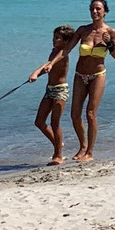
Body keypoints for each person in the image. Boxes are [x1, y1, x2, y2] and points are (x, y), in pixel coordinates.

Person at [30, 0, 115, 162]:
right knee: (75, 115)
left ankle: (89, 153)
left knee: (91, 113)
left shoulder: (110, 32)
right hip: (80, 75)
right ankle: (82, 146)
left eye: (98, 9)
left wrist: (109, 43)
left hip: (98, 75)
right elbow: (66, 50)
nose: (94, 12)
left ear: (105, 11)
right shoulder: (83, 30)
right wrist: (51, 64)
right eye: (92, 9)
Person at [28, 25, 76, 165]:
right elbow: (48, 66)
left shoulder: (63, 53)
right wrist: (36, 74)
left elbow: (49, 64)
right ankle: (58, 143)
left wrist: (36, 72)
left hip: (61, 90)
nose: (54, 40)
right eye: (54, 37)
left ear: (66, 41)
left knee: (55, 123)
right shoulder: (54, 51)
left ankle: (58, 155)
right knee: (39, 122)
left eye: (57, 38)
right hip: (49, 90)